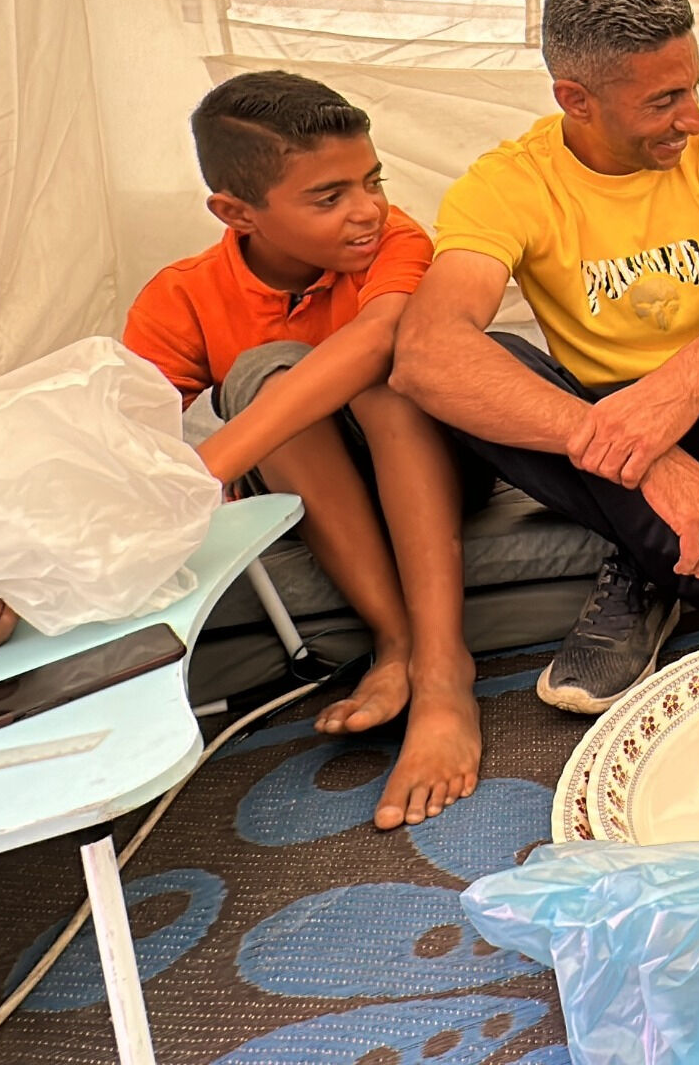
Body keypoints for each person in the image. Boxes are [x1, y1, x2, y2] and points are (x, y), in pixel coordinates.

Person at [392, 0, 699, 716]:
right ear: (576, 100)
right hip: (608, 430)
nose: (693, 118)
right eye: (665, 100)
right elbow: (425, 353)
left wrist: (683, 384)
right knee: (487, 365)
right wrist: (652, 465)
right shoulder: (507, 182)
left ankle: (644, 563)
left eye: (695, 85)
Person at [120, 70, 486, 831]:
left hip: (440, 464)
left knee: (387, 369)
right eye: (329, 197)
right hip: (311, 491)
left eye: (372, 180)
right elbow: (123, 436)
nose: (369, 210)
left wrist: (208, 464)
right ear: (235, 212)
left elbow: (379, 336)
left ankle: (444, 676)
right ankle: (397, 645)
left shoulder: (399, 242)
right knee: (262, 371)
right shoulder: (181, 296)